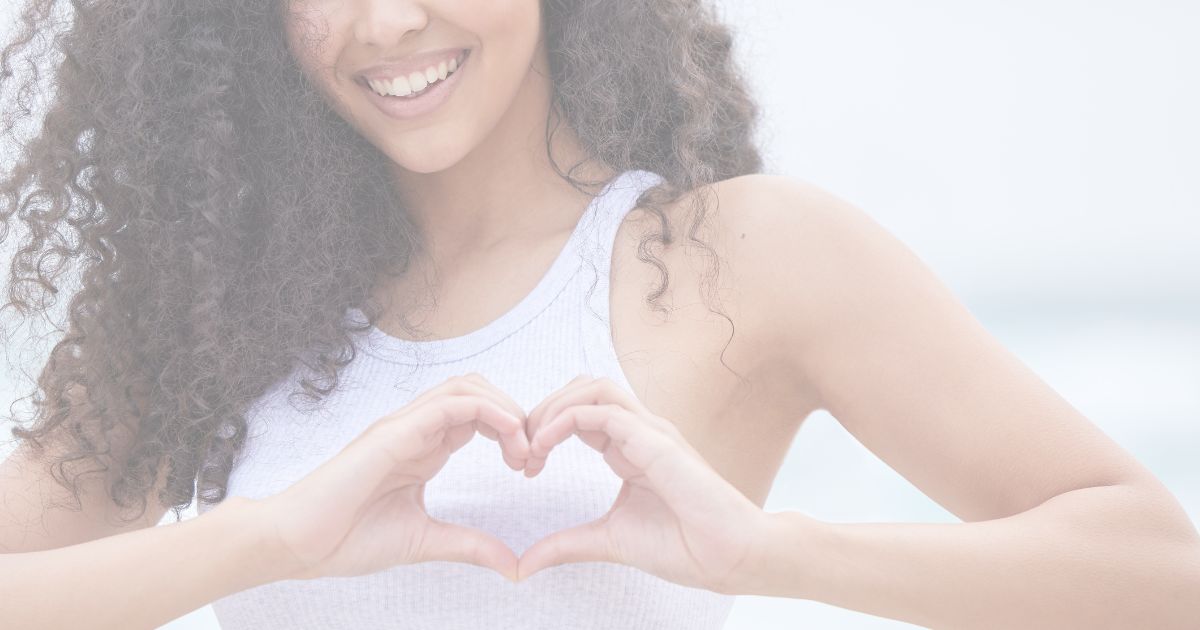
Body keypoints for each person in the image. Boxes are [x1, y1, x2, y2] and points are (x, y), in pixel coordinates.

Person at [2, 1, 1198, 629]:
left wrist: (774, 557)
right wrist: (270, 536)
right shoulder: (211, 300)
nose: (383, 22)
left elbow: (1159, 573)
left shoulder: (733, 256)